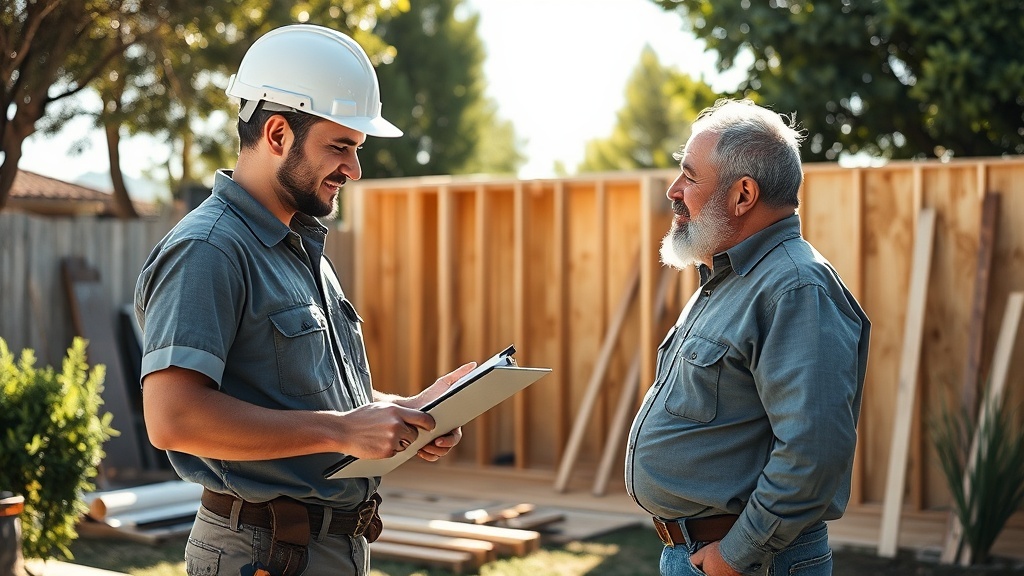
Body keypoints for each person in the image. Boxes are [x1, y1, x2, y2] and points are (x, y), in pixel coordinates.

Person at [135, 24, 474, 576]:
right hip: (262, 553)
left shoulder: (297, 247)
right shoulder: (209, 250)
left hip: (321, 549)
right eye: (340, 147)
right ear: (277, 133)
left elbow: (296, 393)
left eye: (356, 149)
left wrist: (408, 411)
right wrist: (342, 431)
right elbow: (173, 418)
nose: (354, 169)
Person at [625, 99, 870, 576]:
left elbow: (814, 453)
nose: (674, 190)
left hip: (752, 562)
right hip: (705, 554)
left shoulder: (795, 287)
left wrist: (734, 556)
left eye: (689, 176)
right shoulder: (731, 278)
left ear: (743, 195)